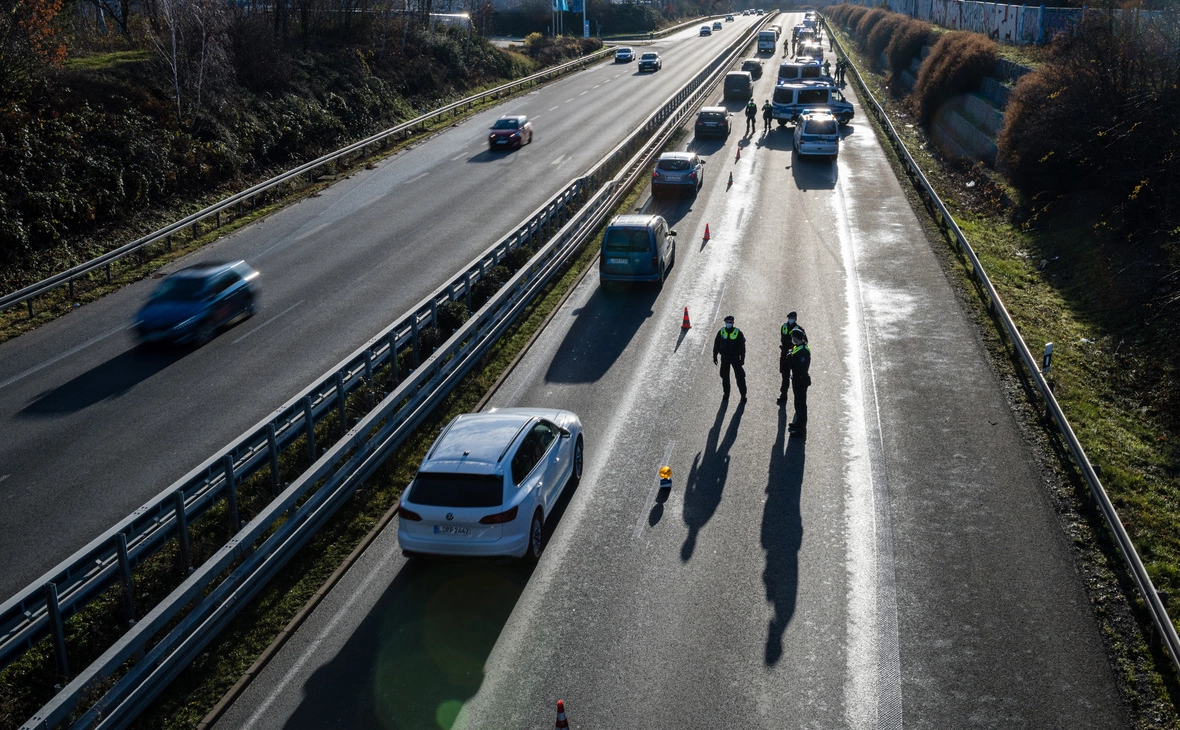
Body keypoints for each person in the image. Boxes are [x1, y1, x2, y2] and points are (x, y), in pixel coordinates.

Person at [713, 315, 747, 401]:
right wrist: (715, 356)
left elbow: (742, 348)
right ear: (725, 323)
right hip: (724, 357)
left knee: (740, 377)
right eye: (727, 322)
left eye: (730, 322)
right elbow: (716, 344)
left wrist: (742, 358)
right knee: (725, 376)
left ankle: (743, 395)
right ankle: (726, 393)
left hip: (735, 358)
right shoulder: (721, 332)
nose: (728, 324)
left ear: (733, 323)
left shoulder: (738, 333)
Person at [783, 328, 811, 435]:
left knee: (801, 405)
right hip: (797, 379)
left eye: (792, 337)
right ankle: (798, 422)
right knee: (797, 403)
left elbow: (802, 367)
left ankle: (801, 429)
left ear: (796, 337)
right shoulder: (798, 347)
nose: (792, 339)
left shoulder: (803, 350)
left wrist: (792, 359)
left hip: (801, 380)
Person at [778, 311, 806, 404]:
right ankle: (783, 394)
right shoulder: (784, 327)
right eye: (790, 318)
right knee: (784, 376)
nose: (791, 320)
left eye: (793, 318)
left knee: (796, 378)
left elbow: (804, 342)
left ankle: (798, 399)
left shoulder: (799, 329)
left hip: (795, 355)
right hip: (785, 354)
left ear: (796, 319)